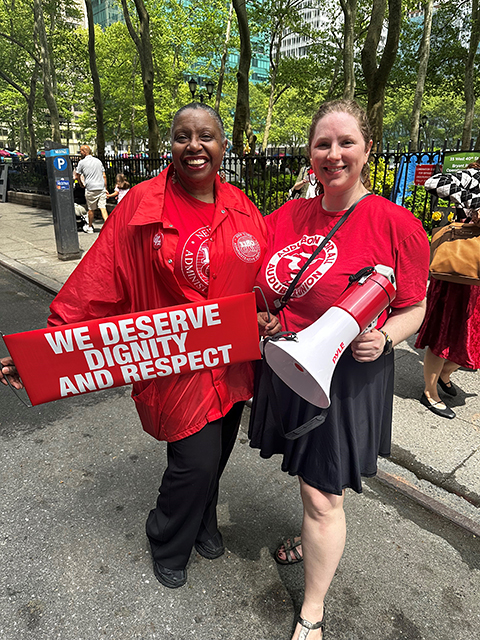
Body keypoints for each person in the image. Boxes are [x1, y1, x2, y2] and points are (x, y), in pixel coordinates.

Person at [0, 102, 280, 590]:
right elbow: (98, 280)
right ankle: (166, 537)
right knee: (193, 463)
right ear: (170, 144)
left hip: (233, 362)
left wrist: (268, 314)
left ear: (223, 145)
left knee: (216, 456)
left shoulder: (243, 206)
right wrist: (43, 354)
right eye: (182, 136)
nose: (194, 146)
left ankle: (204, 521)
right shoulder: (143, 204)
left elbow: (268, 276)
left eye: (206, 136)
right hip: (174, 364)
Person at [249, 99, 430, 640]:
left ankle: (312, 611)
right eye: (323, 144)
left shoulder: (397, 224)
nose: (334, 154)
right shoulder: (287, 216)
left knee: (322, 495)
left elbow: (415, 306)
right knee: (309, 481)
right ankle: (311, 538)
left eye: (346, 142)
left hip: (346, 378)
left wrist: (386, 336)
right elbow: (259, 283)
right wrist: (262, 314)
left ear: (367, 149)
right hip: (288, 366)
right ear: (311, 154)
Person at [415, 161, 480, 419]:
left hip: (477, 278)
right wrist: (474, 206)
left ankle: (444, 374)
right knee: (444, 332)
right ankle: (430, 391)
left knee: (471, 337)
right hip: (459, 272)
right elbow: (434, 182)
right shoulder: (474, 175)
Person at [74, 145, 108, 233]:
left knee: (91, 209)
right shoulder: (98, 161)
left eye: (81, 151)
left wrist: (81, 184)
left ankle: (89, 227)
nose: (80, 153)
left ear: (84, 152)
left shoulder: (82, 163)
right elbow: (104, 175)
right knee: (103, 208)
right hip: (100, 187)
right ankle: (108, 226)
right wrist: (105, 188)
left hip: (91, 188)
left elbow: (77, 175)